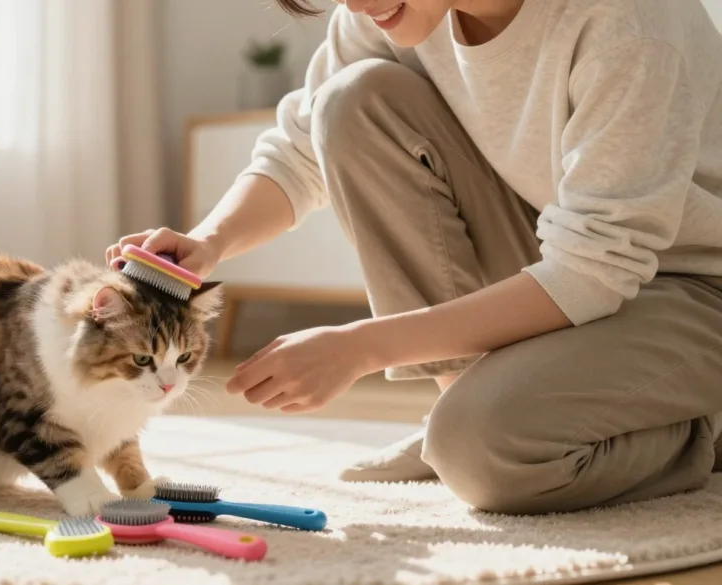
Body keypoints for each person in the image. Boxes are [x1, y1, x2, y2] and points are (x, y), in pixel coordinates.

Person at [106, 0, 722, 515]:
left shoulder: (626, 22)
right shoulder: (388, 11)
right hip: (569, 258)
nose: (354, 4)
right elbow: (298, 154)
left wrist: (362, 347)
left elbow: (593, 268)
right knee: (353, 100)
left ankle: (705, 427)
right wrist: (208, 242)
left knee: (484, 454)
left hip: (698, 288)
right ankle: (454, 400)